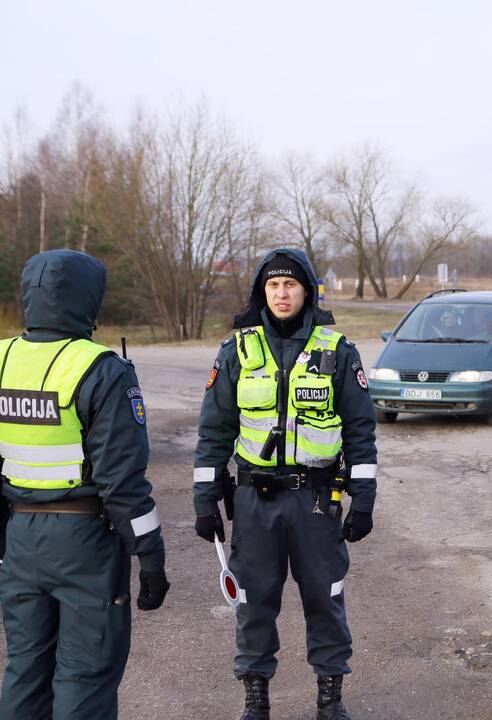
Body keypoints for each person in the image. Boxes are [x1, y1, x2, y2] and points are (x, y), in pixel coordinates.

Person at [193, 249, 378, 720]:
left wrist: (364, 500)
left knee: (326, 597)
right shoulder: (236, 351)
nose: (281, 293)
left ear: (307, 291)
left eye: (290, 285)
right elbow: (214, 430)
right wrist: (205, 498)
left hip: (318, 500)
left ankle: (330, 699)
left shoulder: (338, 351)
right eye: (273, 286)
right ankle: (256, 700)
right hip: (255, 501)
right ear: (261, 291)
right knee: (254, 603)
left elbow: (360, 430)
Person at [0, 250, 169, 720]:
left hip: (19, 540)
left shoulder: (3, 358)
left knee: (25, 669)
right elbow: (122, 481)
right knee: (84, 674)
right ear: (88, 299)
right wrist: (150, 554)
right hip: (84, 544)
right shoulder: (101, 369)